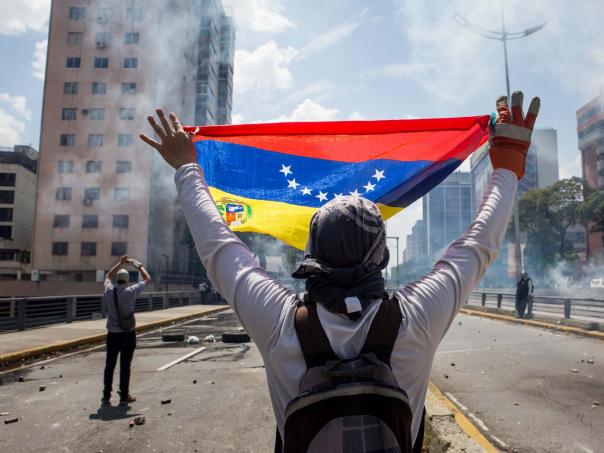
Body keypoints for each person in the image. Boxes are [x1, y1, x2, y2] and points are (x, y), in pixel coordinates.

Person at [140, 91, 539, 451]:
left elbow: (217, 246)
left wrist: (187, 167)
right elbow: (478, 246)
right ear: (381, 256)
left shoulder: (279, 322)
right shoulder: (415, 318)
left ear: (312, 252)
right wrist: (507, 165)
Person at [102, 255, 151, 405]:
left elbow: (107, 276)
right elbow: (147, 278)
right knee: (125, 366)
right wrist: (138, 265)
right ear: (127, 280)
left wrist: (120, 263)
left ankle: (106, 395)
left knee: (109, 365)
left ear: (117, 280)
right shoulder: (131, 291)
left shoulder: (109, 290)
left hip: (112, 334)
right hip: (128, 334)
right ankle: (124, 395)